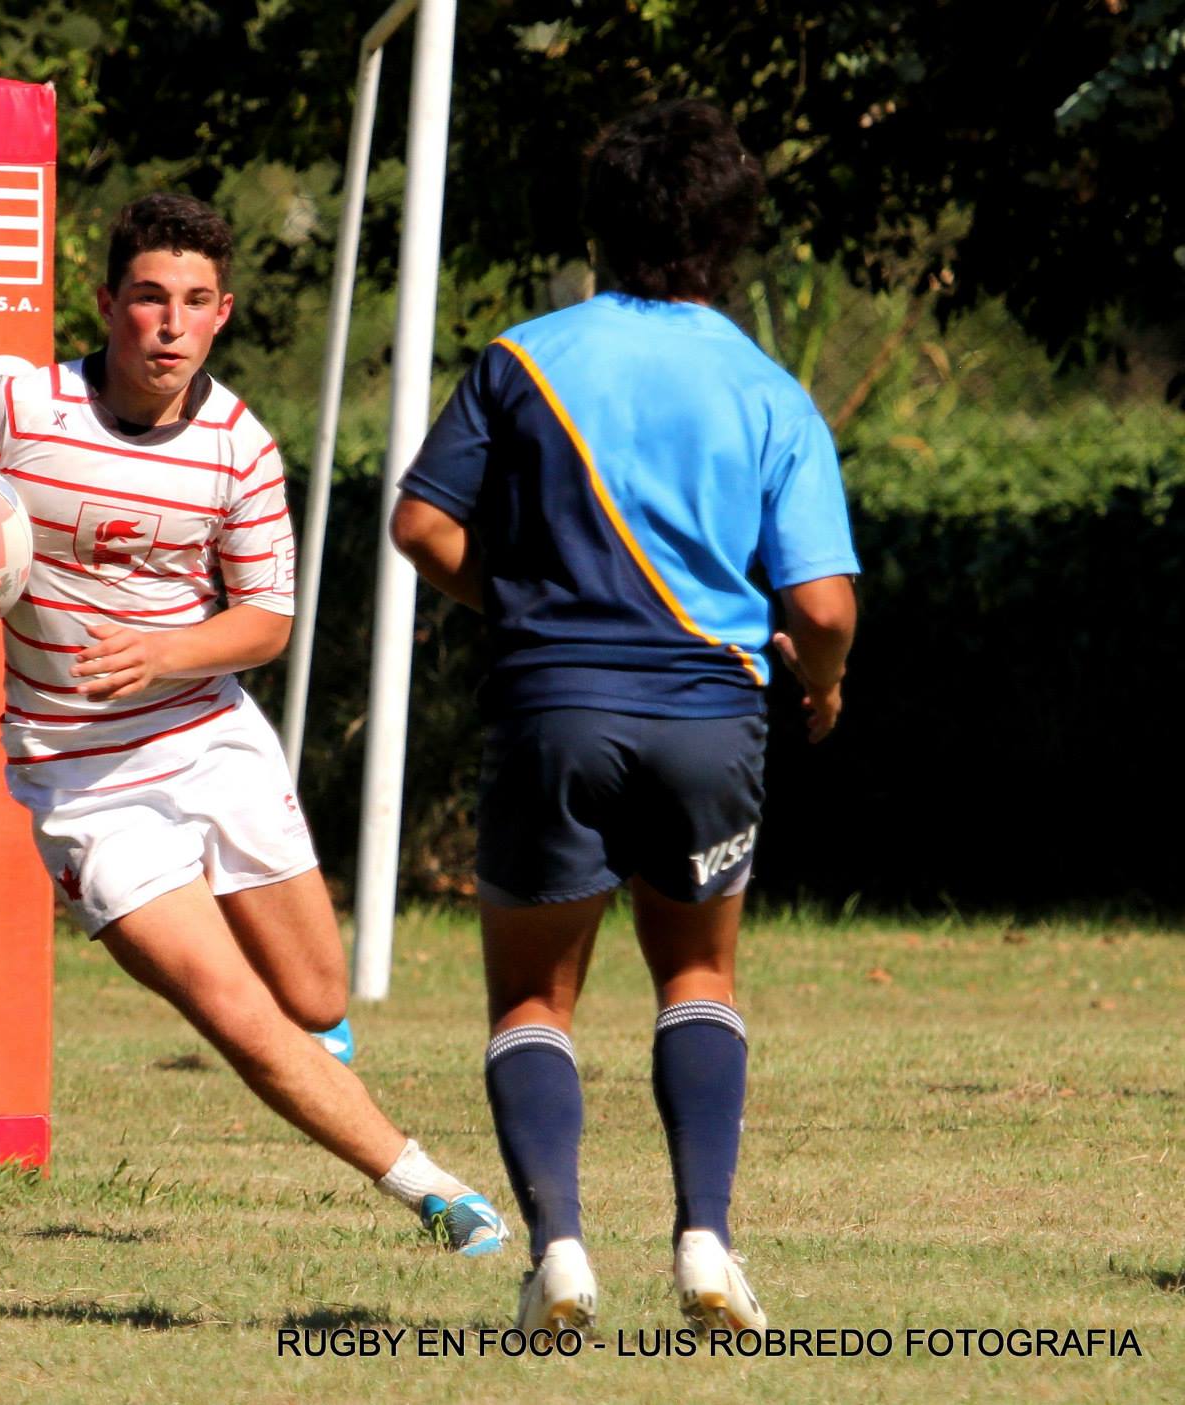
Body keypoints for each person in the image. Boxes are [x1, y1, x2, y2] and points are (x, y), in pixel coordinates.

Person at [0, 193, 504, 1256]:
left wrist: (166, 650)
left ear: (221, 314)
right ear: (106, 302)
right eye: (147, 297)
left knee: (310, 992)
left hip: (210, 742)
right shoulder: (12, 409)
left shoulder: (238, 449)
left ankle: (317, 1055)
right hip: (83, 785)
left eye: (193, 302)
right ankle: (432, 1190)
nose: (167, 322)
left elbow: (266, 621)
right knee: (234, 1010)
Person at [391, 100, 859, 1331]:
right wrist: (817, 682)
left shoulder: (521, 357)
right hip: (709, 719)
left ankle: (558, 1254)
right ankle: (704, 1244)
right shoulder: (767, 390)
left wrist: (530, 608)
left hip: (549, 711)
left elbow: (419, 525)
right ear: (731, 235)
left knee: (530, 1003)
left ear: (599, 224)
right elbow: (817, 601)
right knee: (697, 972)